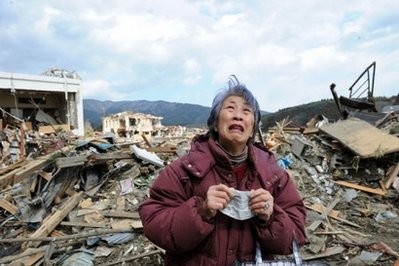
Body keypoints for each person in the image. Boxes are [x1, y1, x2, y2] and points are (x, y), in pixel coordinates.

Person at [138, 76, 307, 266]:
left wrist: (271, 216)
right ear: (215, 124)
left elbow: (296, 234)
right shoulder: (184, 170)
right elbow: (154, 224)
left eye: (246, 111)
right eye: (230, 108)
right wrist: (202, 211)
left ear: (252, 128)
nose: (238, 115)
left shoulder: (273, 175)